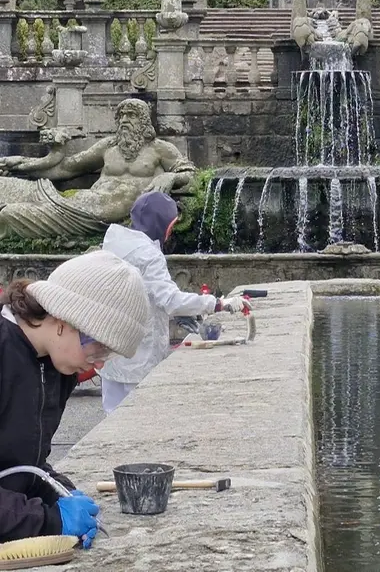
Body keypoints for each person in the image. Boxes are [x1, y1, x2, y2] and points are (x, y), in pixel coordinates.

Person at [0, 250, 149, 547]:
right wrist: (50, 520)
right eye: (100, 348)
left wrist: (61, 493)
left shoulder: (55, 367)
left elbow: (23, 464)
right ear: (64, 319)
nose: (100, 363)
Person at [99, 192, 248, 414]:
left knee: (111, 419)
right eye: (171, 224)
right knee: (139, 420)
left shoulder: (114, 243)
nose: (171, 231)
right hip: (139, 355)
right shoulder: (148, 254)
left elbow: (141, 292)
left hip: (110, 350)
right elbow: (171, 300)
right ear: (159, 222)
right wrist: (218, 303)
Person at [0, 98, 195, 240]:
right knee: (5, 186)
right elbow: (64, 169)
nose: (125, 120)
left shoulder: (159, 149)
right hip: (74, 203)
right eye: (121, 116)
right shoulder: (108, 147)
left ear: (144, 122)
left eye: (132, 115)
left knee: (8, 215)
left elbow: (190, 175)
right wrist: (19, 165)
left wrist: (170, 177)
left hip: (95, 217)